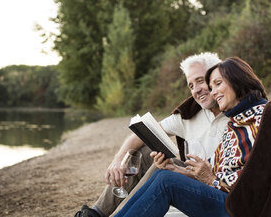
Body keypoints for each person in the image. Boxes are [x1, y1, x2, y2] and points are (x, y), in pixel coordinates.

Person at [113, 57, 271, 217]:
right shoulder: (236, 122)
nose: (213, 91)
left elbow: (262, 180)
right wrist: (179, 170)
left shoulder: (268, 114)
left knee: (167, 183)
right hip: (229, 199)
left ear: (236, 80)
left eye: (218, 84)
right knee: (164, 176)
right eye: (212, 85)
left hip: (247, 209)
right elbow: (221, 171)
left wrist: (211, 179)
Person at [75, 52, 228, 217]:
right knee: (149, 154)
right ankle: (95, 214)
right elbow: (141, 134)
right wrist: (118, 159)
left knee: (165, 177)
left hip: (214, 186)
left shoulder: (238, 114)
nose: (196, 90)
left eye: (200, 80)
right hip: (192, 176)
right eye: (191, 85)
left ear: (217, 77)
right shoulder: (190, 114)